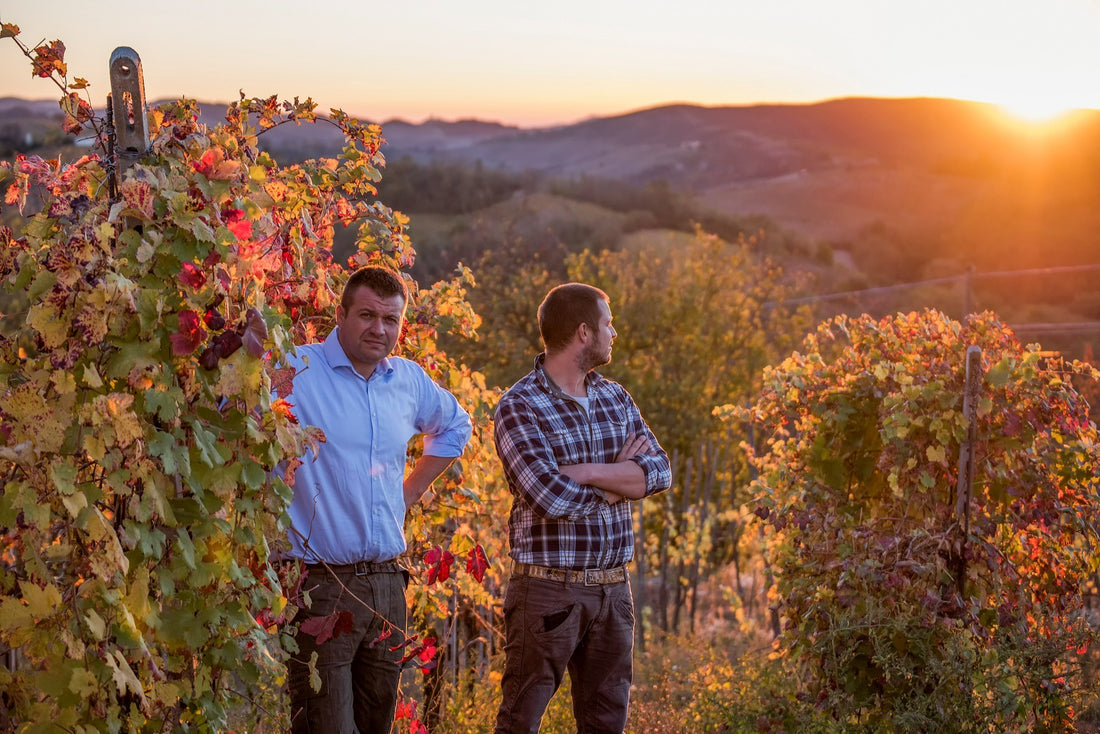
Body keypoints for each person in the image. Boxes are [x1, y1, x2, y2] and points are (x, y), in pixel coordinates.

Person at [281, 265, 472, 734]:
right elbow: (231, 411)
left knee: (376, 724)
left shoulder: (407, 380)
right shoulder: (296, 369)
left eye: (391, 320)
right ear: (341, 314)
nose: (379, 329)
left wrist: (410, 492)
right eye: (367, 315)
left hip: (389, 585)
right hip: (321, 587)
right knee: (324, 726)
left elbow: (456, 426)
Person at [493, 282, 672, 733]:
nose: (616, 333)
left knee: (606, 725)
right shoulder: (520, 406)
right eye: (609, 324)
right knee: (520, 722)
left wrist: (590, 472)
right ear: (584, 332)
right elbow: (551, 496)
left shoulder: (615, 397)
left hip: (613, 592)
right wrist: (621, 480)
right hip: (548, 592)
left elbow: (660, 471)